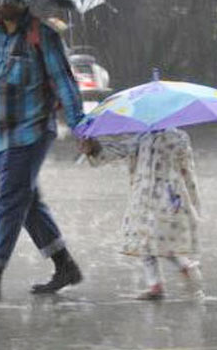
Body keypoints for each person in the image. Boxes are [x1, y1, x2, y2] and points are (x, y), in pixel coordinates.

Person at [0, 0, 86, 298]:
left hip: (32, 131)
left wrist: (82, 130)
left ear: (23, 2)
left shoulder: (43, 37)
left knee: (11, 199)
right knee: (26, 202)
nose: (1, 4)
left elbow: (66, 84)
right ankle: (65, 264)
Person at [81, 128, 203, 300]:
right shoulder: (161, 137)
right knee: (151, 241)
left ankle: (176, 271)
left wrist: (96, 149)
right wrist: (94, 148)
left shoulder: (159, 138)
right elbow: (187, 170)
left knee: (151, 239)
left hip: (155, 197)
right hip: (157, 196)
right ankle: (163, 280)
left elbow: (120, 150)